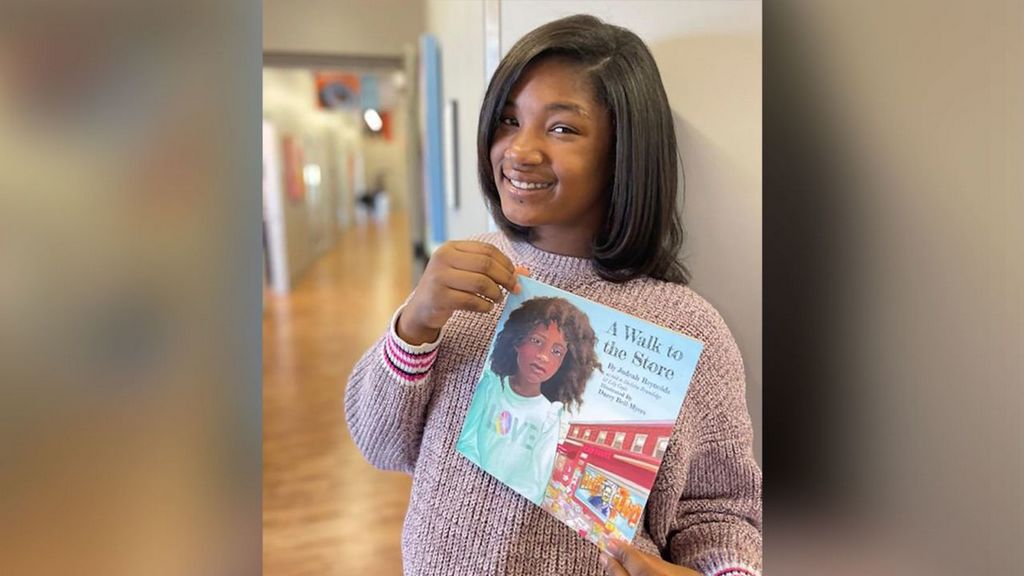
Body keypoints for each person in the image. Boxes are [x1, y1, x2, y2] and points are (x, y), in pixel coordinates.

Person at [344, 14, 762, 576]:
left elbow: (723, 513)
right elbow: (380, 445)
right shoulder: (467, 274)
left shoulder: (687, 329)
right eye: (508, 120)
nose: (520, 150)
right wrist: (414, 324)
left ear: (624, 150)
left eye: (562, 128)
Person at [455, 297, 600, 504]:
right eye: (537, 341)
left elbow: (536, 482)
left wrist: (499, 500)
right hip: (463, 490)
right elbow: (466, 441)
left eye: (556, 352)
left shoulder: (549, 416)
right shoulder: (490, 386)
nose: (543, 356)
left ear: (564, 363)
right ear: (518, 340)